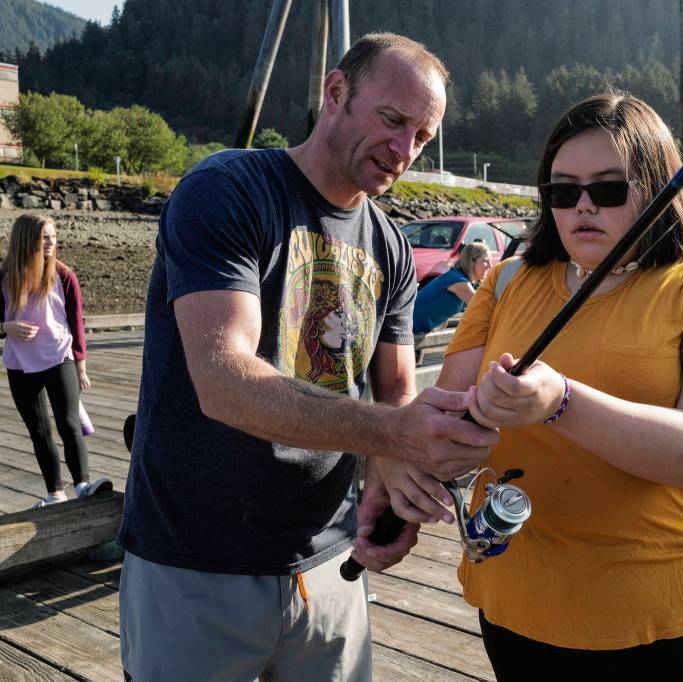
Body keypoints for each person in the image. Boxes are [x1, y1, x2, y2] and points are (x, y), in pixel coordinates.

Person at [116, 33, 498, 681]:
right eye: (392, 120)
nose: (404, 150)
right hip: (195, 562)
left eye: (423, 137)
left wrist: (394, 490)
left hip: (330, 563)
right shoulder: (227, 190)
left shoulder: (392, 247)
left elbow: (394, 400)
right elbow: (224, 381)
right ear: (335, 92)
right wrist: (396, 432)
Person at [386, 93, 683, 679]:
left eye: (609, 189)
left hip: (671, 614)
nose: (583, 206)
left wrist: (558, 401)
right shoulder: (507, 281)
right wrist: (404, 482)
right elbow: (445, 418)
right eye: (563, 191)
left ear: (659, 188)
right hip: (518, 601)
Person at [1, 213, 111, 507]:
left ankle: (83, 485)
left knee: (69, 424)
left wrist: (81, 365)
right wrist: (6, 327)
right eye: (44, 237)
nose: (51, 242)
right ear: (28, 240)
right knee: (39, 430)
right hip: (19, 363)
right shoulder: (5, 276)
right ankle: (55, 493)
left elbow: (76, 324)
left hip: (58, 357)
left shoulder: (64, 275)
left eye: (53, 236)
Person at [412, 241, 492, 334]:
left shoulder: (460, 278)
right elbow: (483, 307)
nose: (490, 265)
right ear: (471, 262)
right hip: (406, 326)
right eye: (486, 260)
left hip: (417, 330)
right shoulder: (457, 280)